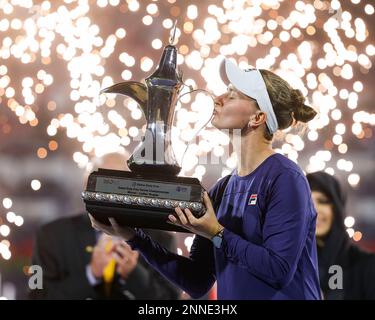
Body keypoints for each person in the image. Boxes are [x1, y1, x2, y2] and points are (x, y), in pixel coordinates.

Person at [89, 58, 322, 300]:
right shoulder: (222, 189)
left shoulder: (286, 178)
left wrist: (217, 233)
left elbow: (278, 270)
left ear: (257, 118)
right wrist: (135, 237)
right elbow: (198, 281)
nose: (217, 99)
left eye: (232, 95)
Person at [30, 153, 180, 300]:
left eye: (124, 184)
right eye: (106, 183)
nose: (114, 194)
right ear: (86, 186)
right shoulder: (51, 235)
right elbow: (36, 296)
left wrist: (135, 274)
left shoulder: (162, 241)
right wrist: (91, 273)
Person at [307, 171, 375, 300]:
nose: (314, 210)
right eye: (308, 203)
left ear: (337, 208)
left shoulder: (366, 266)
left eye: (323, 201)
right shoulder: (291, 265)